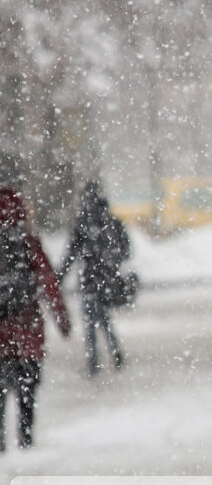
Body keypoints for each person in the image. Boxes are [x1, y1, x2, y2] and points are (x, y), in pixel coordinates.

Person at [0, 186, 71, 450]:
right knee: (27, 391)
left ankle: (1, 443)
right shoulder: (28, 241)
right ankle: (26, 438)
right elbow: (48, 281)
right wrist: (61, 318)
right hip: (27, 332)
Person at [59, 180, 130, 376]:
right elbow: (125, 249)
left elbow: (71, 253)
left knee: (91, 321)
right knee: (104, 318)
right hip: (107, 278)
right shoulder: (110, 220)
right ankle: (114, 353)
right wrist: (112, 264)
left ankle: (94, 362)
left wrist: (59, 277)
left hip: (89, 279)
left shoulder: (83, 222)